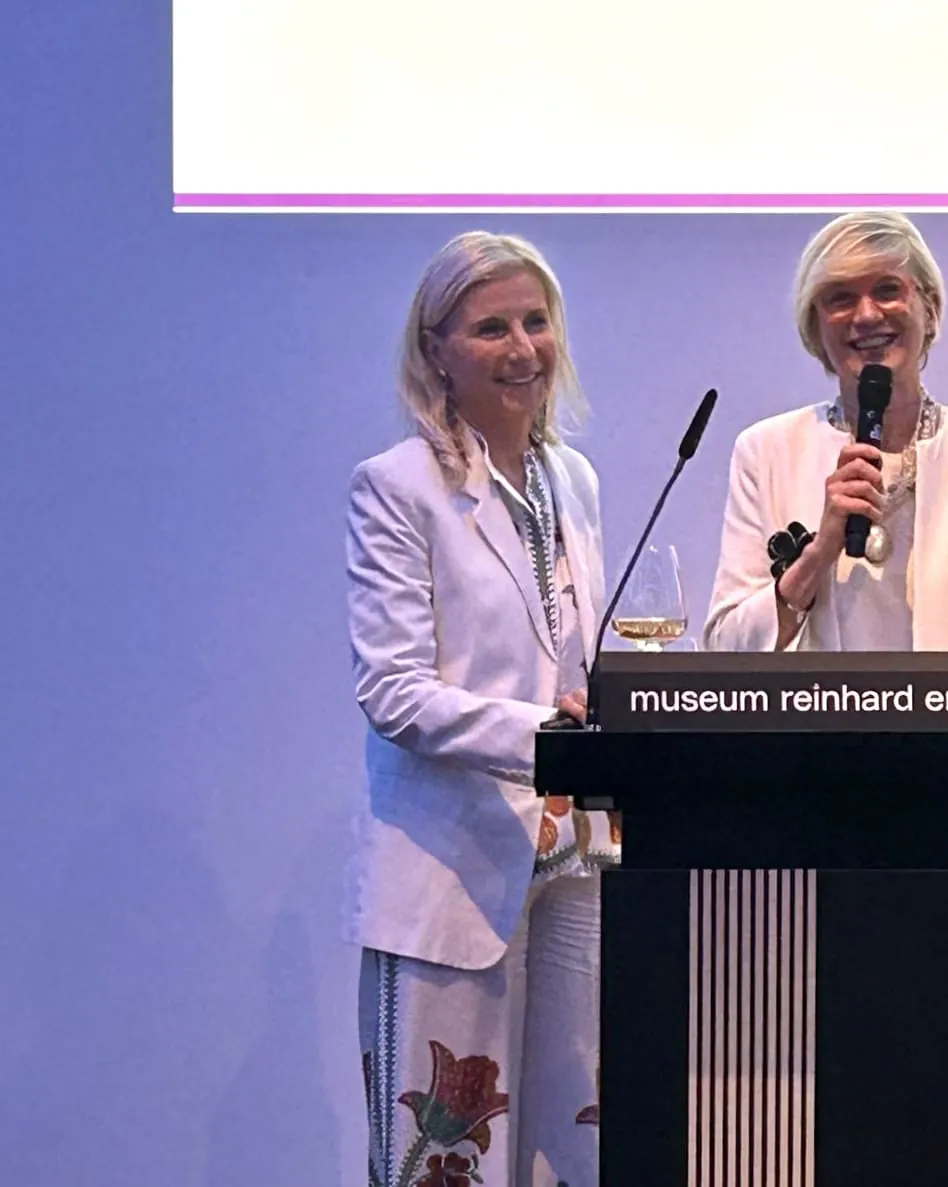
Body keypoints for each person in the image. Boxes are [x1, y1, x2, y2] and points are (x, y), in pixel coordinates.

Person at [345, 230, 612, 1187]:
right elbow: (393, 690)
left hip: (571, 862)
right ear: (436, 352)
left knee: (583, 1152)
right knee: (444, 1164)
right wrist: (550, 738)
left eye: (537, 321)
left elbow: (567, 655)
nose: (523, 347)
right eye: (492, 327)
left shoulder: (572, 480)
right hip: (449, 875)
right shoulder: (397, 487)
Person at [704, 210, 948, 874]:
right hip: (801, 808)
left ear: (929, 307)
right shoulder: (767, 452)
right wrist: (819, 550)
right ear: (816, 328)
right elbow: (726, 653)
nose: (866, 315)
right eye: (839, 298)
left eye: (888, 290)